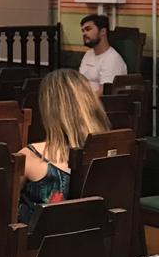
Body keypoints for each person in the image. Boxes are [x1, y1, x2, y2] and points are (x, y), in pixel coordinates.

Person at [17, 69, 111, 223]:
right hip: (96, 239)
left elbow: (2, 203)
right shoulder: (109, 152)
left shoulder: (31, 157)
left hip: (42, 244)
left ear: (48, 110)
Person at [77, 14, 127, 92]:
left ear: (103, 31)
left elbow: (104, 93)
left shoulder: (112, 59)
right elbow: (79, 82)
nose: (84, 34)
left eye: (88, 29)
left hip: (100, 103)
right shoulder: (88, 54)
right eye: (83, 31)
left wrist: (80, 102)